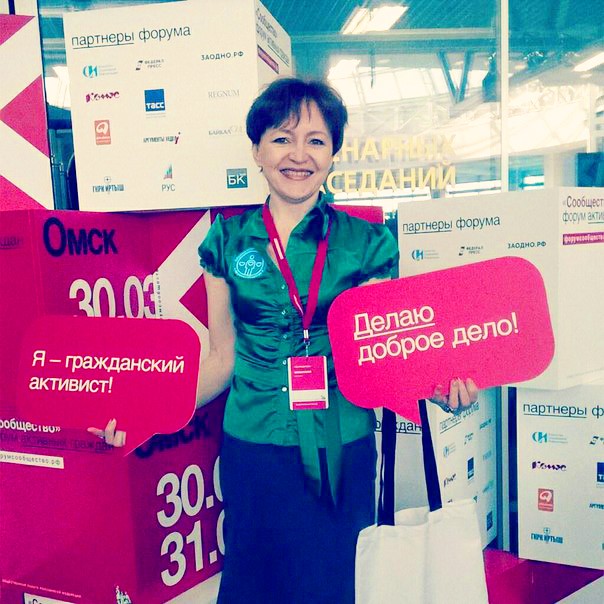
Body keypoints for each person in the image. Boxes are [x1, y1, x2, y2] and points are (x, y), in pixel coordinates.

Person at [92, 77, 477, 603]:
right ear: (257, 150)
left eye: (316, 140)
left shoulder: (367, 243)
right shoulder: (226, 241)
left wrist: (438, 387)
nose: (298, 155)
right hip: (253, 448)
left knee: (333, 583)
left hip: (341, 449)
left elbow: (386, 357)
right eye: (281, 138)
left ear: (334, 154)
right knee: (255, 583)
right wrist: (142, 412)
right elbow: (221, 359)